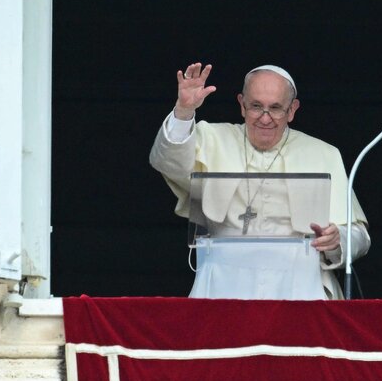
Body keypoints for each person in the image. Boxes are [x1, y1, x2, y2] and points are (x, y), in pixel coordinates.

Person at [150, 62, 370, 299]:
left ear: (292, 110)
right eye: (256, 106)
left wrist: (337, 240)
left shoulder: (323, 154)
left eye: (275, 108)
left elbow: (359, 236)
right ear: (242, 105)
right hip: (223, 283)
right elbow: (167, 162)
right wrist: (184, 112)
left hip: (301, 286)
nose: (265, 118)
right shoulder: (211, 138)